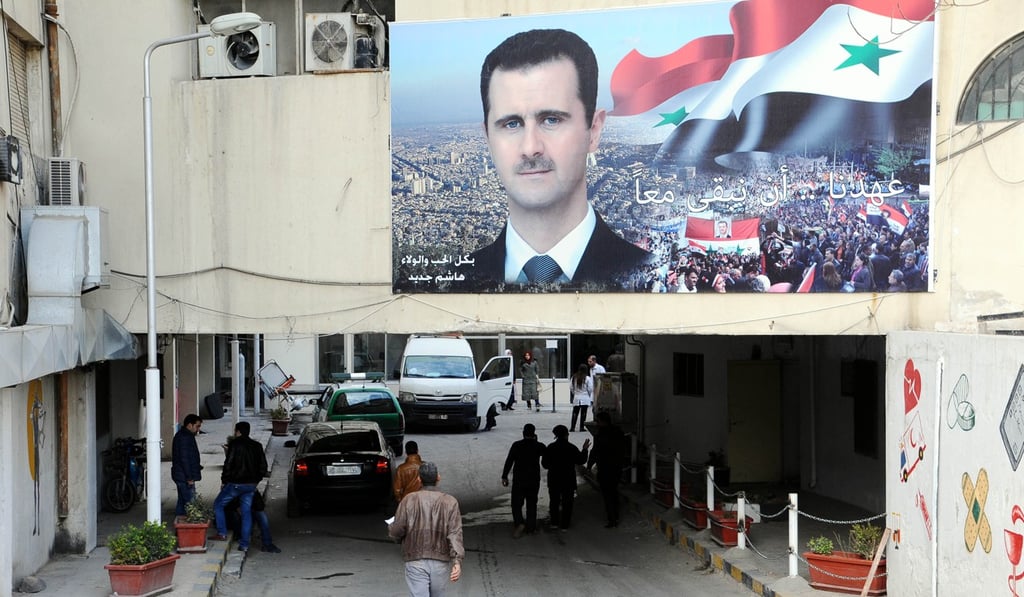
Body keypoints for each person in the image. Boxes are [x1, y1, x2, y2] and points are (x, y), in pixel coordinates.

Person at [465, 28, 653, 291]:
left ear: (594, 131)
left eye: (551, 120)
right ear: (488, 138)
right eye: (511, 124)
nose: (530, 148)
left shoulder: (645, 276)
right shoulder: (456, 281)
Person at [388, 462, 464, 596]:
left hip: (415, 558)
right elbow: (454, 533)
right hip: (440, 560)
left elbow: (397, 531)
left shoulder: (408, 500)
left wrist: (392, 529)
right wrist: (457, 561)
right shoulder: (450, 502)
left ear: (419, 479)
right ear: (438, 478)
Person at [212, 421, 268, 552]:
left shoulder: (234, 445)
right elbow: (263, 467)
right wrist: (255, 480)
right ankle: (244, 544)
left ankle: (222, 532)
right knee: (246, 513)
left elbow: (228, 464)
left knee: (218, 504)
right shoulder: (257, 446)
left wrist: (224, 481)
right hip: (250, 485)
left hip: (235, 484)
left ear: (238, 431)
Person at [541, 425, 590, 531]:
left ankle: (554, 522)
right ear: (567, 435)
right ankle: (565, 525)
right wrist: (585, 450)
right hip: (568, 480)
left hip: (554, 479)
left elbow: (544, 464)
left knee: (554, 501)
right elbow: (581, 460)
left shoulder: (550, 447)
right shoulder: (571, 448)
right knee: (567, 502)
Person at [501, 423, 545, 538]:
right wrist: (536, 441)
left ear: (523, 433)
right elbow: (547, 459)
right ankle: (531, 528)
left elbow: (509, 461)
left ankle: (519, 523)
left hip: (519, 479)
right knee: (531, 504)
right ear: (534, 433)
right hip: (534, 480)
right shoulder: (539, 446)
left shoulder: (517, 445)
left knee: (516, 504)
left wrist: (504, 476)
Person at [587, 411, 626, 528]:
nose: (596, 423)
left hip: (605, 468)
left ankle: (612, 519)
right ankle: (616, 516)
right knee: (613, 492)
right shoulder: (618, 432)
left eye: (598, 421)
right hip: (616, 467)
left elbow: (595, 451)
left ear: (602, 422)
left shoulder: (600, 435)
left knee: (607, 494)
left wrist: (589, 465)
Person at [171, 413, 203, 517]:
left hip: (181, 474)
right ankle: (191, 527)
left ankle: (180, 527)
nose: (198, 429)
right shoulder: (185, 437)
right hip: (184, 476)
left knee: (182, 502)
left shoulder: (184, 436)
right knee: (191, 503)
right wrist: (189, 477)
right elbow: (184, 459)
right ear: (190, 425)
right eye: (197, 426)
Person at [569, 364, 593, 433]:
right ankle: (581, 427)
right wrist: (588, 394)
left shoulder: (574, 377)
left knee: (575, 412)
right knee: (583, 413)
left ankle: (572, 427)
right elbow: (590, 388)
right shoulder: (587, 378)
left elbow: (571, 388)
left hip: (576, 397)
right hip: (585, 397)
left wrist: (575, 393)